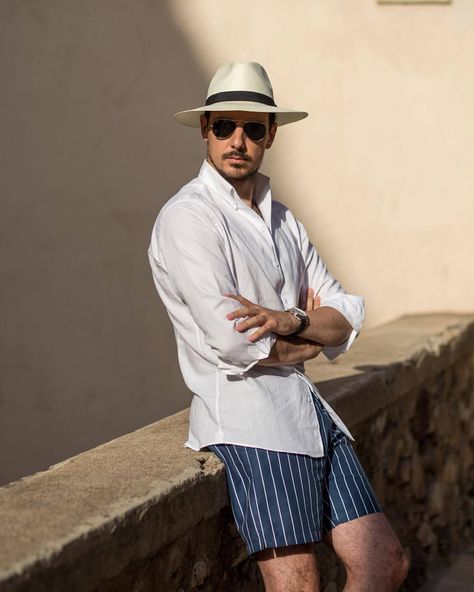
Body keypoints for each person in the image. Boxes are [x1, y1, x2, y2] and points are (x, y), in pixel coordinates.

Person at [148, 62, 409, 592]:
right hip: (251, 424)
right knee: (297, 586)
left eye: (253, 128)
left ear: (272, 134)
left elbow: (346, 316)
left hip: (310, 415)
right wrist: (311, 340)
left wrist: (293, 320)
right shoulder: (189, 219)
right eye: (224, 127)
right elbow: (231, 339)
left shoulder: (284, 220)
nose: (237, 140)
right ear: (206, 130)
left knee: (385, 561)